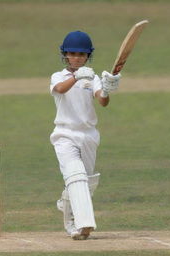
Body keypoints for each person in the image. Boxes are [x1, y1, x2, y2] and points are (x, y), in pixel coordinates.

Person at [49, 30, 121, 240]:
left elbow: (102, 101)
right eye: (72, 54)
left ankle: (66, 201)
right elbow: (60, 89)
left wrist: (106, 90)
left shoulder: (93, 77)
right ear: (65, 55)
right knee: (75, 176)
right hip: (64, 134)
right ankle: (77, 225)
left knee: (86, 182)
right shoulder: (58, 76)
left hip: (88, 135)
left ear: (88, 56)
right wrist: (76, 76)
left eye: (81, 55)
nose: (77, 58)